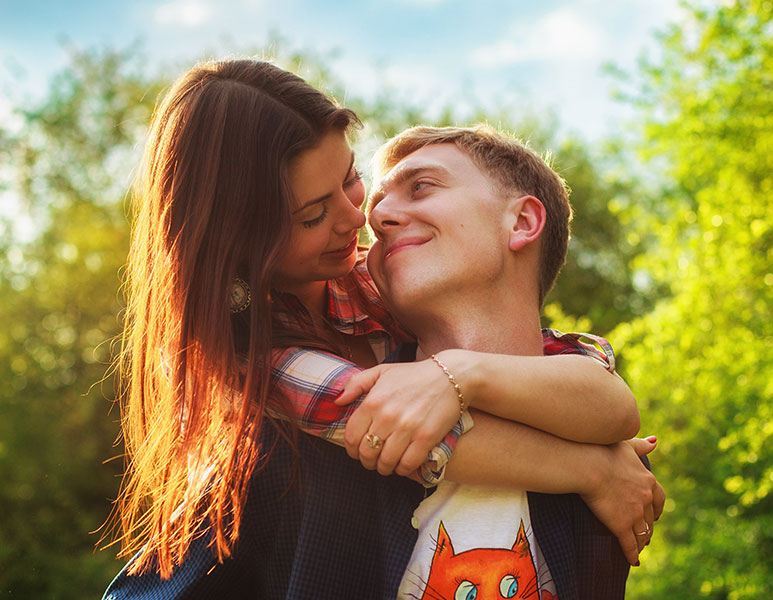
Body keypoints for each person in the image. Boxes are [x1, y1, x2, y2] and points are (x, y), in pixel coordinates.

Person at [103, 58, 662, 599]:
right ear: (242, 250)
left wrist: (460, 373)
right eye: (313, 216)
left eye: (351, 179)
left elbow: (582, 373)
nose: (361, 218)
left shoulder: (378, 283)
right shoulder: (244, 353)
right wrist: (594, 469)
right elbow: (404, 435)